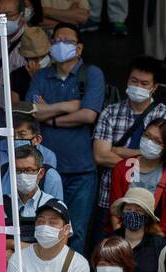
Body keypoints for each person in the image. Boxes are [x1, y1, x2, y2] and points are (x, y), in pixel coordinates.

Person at [25, 25, 105, 253]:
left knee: (76, 232)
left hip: (81, 171)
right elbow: (33, 112)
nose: (61, 44)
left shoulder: (91, 74)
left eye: (67, 41)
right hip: (47, 170)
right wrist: (68, 106)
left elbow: (88, 114)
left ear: (78, 48)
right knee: (45, 230)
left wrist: (50, 115)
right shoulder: (42, 75)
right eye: (56, 39)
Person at [92, 57, 166, 240]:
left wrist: (119, 150)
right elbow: (100, 155)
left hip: (151, 201)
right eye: (134, 81)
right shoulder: (110, 112)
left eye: (144, 83)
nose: (138, 86)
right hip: (110, 197)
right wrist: (142, 155)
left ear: (154, 87)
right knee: (108, 253)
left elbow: (159, 158)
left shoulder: (165, 115)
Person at [108, 119, 166, 244]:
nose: (149, 142)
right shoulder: (122, 168)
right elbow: (115, 214)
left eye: (157, 141)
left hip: (157, 242)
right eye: (147, 136)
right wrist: (125, 243)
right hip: (123, 237)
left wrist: (142, 248)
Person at [5, 144, 58, 247]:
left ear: (41, 173)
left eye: (28, 170)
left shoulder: (55, 206)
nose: (22, 175)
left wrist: (12, 244)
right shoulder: (1, 205)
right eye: (18, 170)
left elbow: (56, 247)